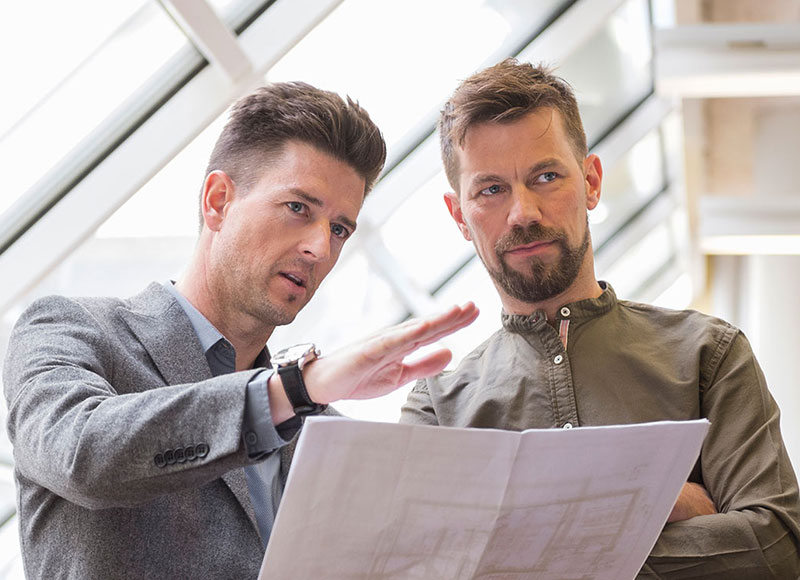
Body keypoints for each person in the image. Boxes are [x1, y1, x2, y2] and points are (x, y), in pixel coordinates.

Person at [3, 81, 478, 579]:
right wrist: (295, 390)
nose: (320, 248)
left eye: (339, 229)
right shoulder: (70, 329)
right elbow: (83, 456)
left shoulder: (323, 432)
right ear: (218, 201)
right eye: (298, 208)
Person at [400, 58, 800, 578]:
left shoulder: (710, 354)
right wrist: (659, 500)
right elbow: (413, 568)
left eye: (546, 177)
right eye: (491, 189)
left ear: (591, 181)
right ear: (460, 216)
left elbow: (776, 548)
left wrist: (524, 544)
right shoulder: (437, 410)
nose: (523, 213)